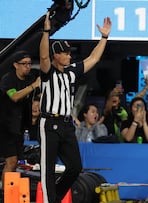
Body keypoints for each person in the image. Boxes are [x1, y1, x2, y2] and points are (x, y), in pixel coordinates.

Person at [38, 11, 111, 202]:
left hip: (66, 124)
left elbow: (93, 59)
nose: (69, 56)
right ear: (57, 55)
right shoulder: (48, 71)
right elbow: (44, 57)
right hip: (49, 123)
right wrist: (46, 32)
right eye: (66, 53)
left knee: (75, 167)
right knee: (47, 170)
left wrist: (104, 37)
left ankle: (55, 197)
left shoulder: (71, 72)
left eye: (70, 53)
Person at [0, 50, 40, 186]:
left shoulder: (30, 79)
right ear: (15, 65)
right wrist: (33, 86)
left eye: (29, 64)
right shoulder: (8, 79)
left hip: (19, 127)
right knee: (11, 161)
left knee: (17, 163)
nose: (27, 67)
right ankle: (5, 194)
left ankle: (11, 191)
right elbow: (14, 97)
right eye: (24, 64)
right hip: (5, 127)